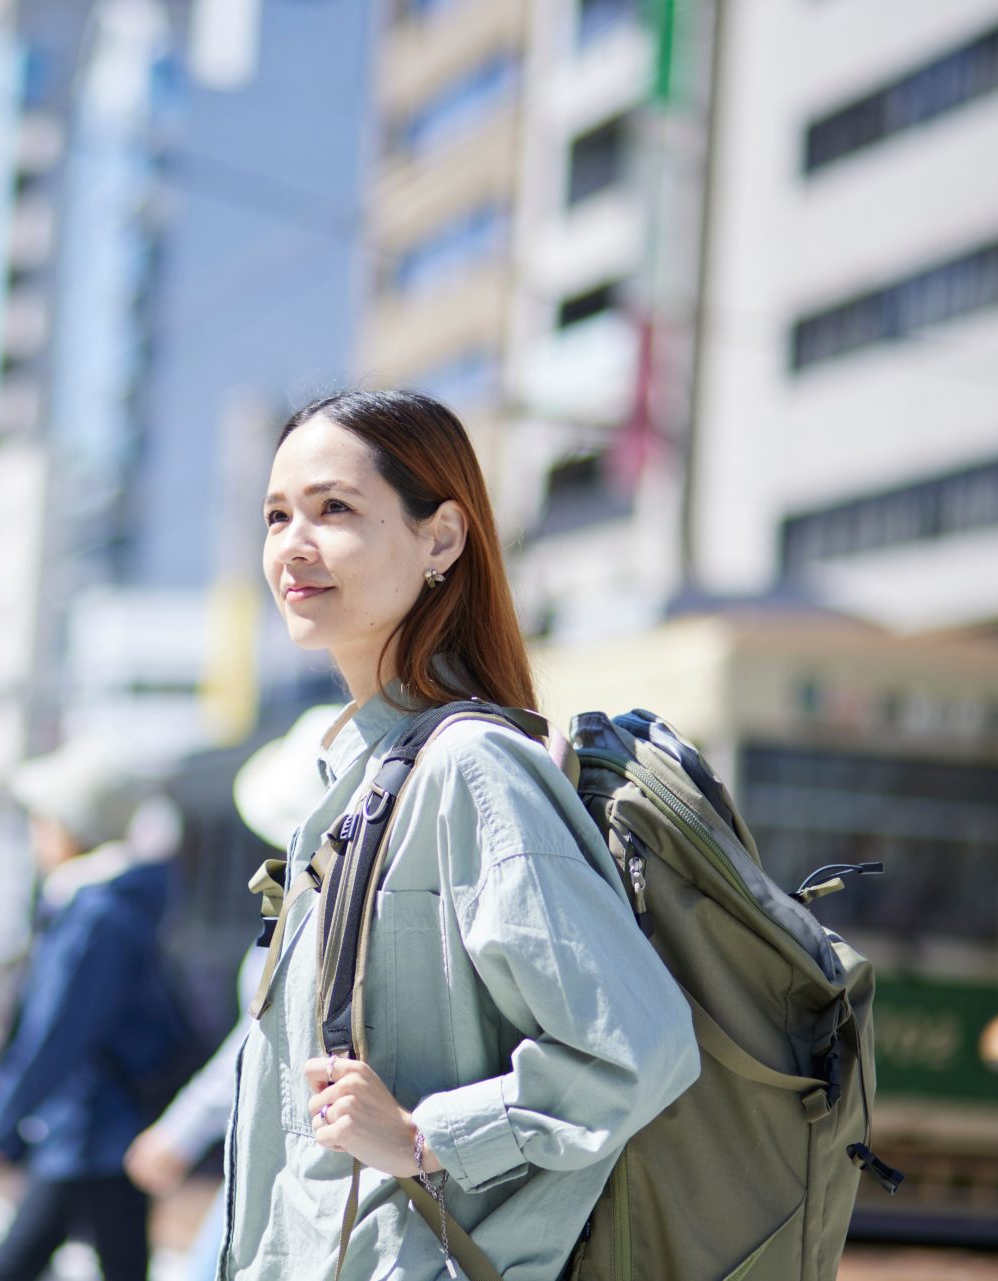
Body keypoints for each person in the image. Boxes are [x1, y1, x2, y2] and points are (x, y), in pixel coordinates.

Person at [219, 390, 701, 1281]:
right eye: (277, 514)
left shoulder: (471, 768)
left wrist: (420, 1135)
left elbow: (637, 1048)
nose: (293, 543)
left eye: (335, 509)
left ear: (441, 538)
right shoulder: (361, 776)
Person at [0, 739, 187, 1281]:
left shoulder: (93, 914)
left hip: (87, 1126)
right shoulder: (107, 904)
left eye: (40, 822)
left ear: (66, 827)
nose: (35, 836)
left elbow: (57, 1029)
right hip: (100, 1124)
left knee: (12, 1267)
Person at [122, 704, 343, 1281]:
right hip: (303, 1149)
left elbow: (257, 1043)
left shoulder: (311, 916)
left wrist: (178, 1132)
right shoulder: (324, 906)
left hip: (295, 1152)